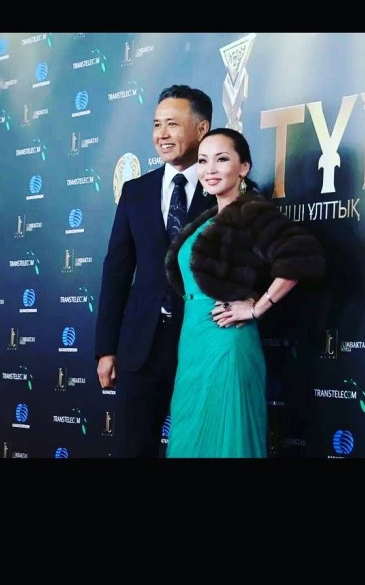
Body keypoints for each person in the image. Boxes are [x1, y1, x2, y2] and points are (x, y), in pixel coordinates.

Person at [164, 127, 326, 458]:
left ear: (244, 167)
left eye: (222, 159)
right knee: (189, 435)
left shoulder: (252, 212)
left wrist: (257, 307)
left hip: (227, 340)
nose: (210, 169)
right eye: (203, 161)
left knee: (229, 435)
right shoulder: (209, 218)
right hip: (193, 340)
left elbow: (300, 257)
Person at [94, 84, 216, 458]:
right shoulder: (136, 192)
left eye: (173, 124)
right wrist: (106, 349)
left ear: (202, 129)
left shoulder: (223, 191)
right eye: (157, 124)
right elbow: (117, 272)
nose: (162, 134)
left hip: (201, 346)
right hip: (140, 349)